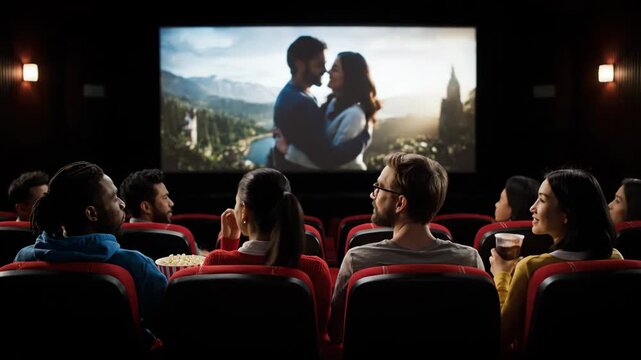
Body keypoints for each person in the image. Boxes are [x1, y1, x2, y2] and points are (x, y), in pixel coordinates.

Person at [330, 152, 485, 341]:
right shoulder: (469, 261)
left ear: (400, 203)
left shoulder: (358, 261)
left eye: (379, 187)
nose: (373, 194)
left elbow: (338, 333)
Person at [14, 161, 167, 335]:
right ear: (92, 213)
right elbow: (169, 327)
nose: (122, 204)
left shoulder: (23, 260)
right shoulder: (138, 266)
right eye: (114, 197)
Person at [490, 169, 622, 355]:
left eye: (542, 200)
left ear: (567, 213)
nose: (532, 207)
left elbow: (502, 338)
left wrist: (501, 275)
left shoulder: (530, 267)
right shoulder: (616, 258)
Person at [203, 168, 333, 345]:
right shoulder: (315, 270)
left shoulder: (215, 261)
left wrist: (228, 245)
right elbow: (320, 338)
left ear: (244, 212)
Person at [271, 36, 371, 171]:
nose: (325, 70)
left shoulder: (295, 94)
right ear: (300, 64)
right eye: (319, 65)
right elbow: (327, 159)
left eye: (327, 65)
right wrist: (364, 138)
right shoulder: (302, 103)